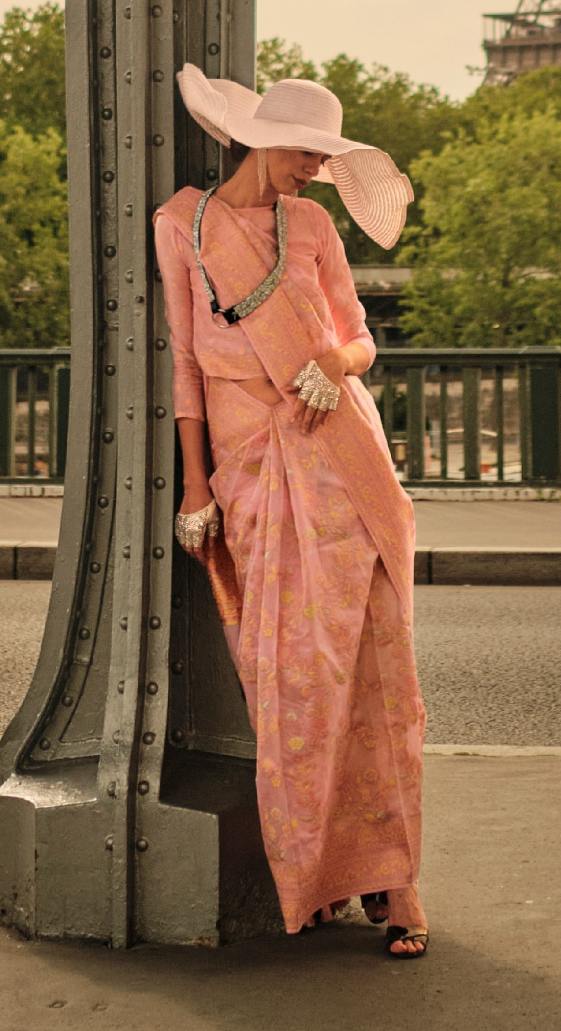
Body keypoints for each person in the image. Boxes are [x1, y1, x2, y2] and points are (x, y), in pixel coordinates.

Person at [154, 64, 428, 959]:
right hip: (249, 468)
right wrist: (196, 485)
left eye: (325, 154)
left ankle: (397, 883)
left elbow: (361, 334)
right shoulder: (181, 227)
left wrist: (338, 367)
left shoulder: (312, 225)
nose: (316, 167)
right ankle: (316, 876)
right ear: (259, 138)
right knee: (291, 683)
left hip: (340, 460)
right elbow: (186, 370)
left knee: (378, 671)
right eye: (309, 151)